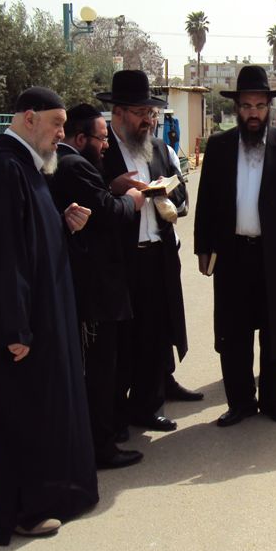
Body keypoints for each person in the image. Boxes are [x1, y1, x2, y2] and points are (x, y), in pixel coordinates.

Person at [0, 86, 98, 545]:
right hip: (22, 331)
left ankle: (32, 496)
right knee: (24, 416)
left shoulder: (21, 164)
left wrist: (62, 222)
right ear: (29, 118)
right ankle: (22, 509)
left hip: (40, 318)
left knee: (42, 414)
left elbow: (25, 236)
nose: (62, 134)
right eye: (58, 124)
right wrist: (15, 329)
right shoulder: (3, 168)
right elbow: (1, 257)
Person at [194, 66, 276, 426]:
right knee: (234, 333)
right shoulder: (219, 147)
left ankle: (273, 401)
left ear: (269, 108)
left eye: (260, 105)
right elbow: (206, 202)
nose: (253, 112)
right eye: (247, 105)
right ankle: (240, 403)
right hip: (233, 254)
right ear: (238, 108)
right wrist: (203, 247)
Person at [98, 70, 197, 438]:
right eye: (141, 112)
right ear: (118, 113)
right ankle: (113, 411)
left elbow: (183, 194)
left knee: (156, 333)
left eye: (151, 113)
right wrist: (114, 188)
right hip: (119, 261)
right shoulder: (100, 150)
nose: (149, 120)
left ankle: (148, 404)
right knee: (121, 340)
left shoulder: (158, 148)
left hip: (157, 255)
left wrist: (169, 198)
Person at [50, 103, 145, 470]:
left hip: (84, 286)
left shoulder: (65, 162)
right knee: (102, 370)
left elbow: (92, 200)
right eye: (102, 139)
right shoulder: (74, 165)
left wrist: (110, 186)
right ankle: (101, 446)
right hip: (96, 290)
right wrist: (131, 200)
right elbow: (106, 213)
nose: (106, 146)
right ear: (81, 138)